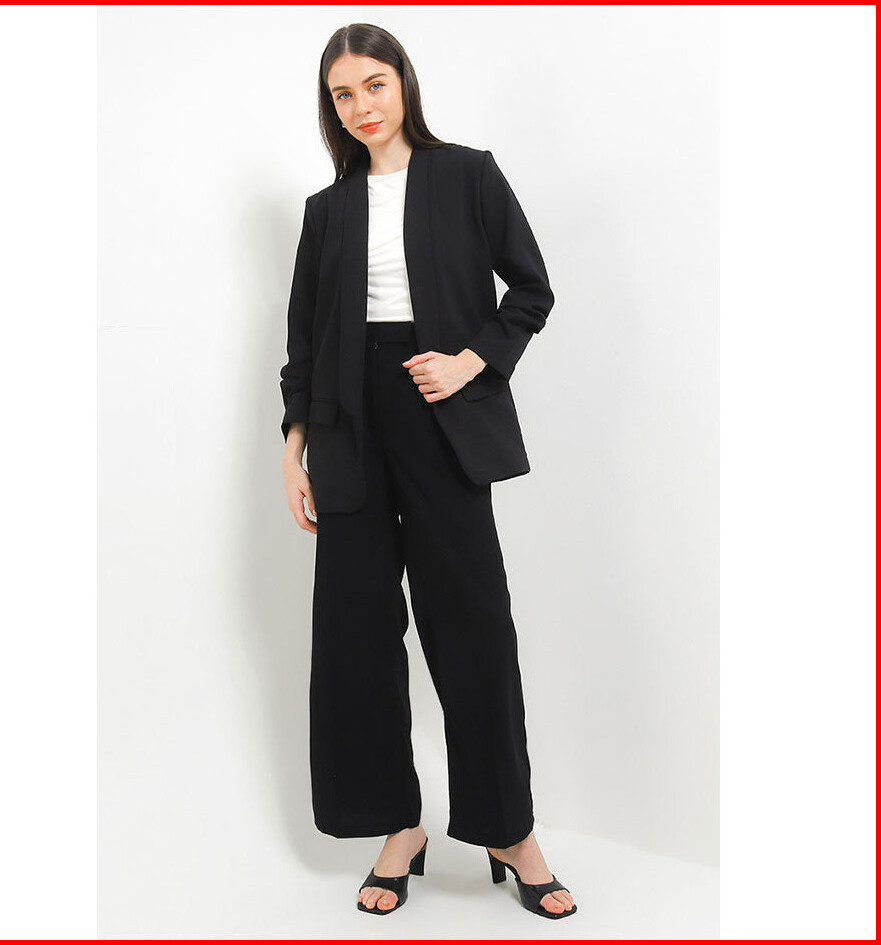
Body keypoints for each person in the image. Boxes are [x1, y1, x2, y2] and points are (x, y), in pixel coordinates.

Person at [279, 23, 577, 920]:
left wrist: (469, 362)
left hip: (441, 410)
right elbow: (304, 339)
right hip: (345, 422)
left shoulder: (467, 175)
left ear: (403, 82)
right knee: (357, 632)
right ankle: (397, 827)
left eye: (373, 84)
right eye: (342, 94)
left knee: (472, 622)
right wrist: (294, 447)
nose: (361, 106)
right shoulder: (326, 210)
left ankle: (508, 831)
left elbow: (530, 289)